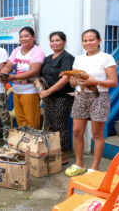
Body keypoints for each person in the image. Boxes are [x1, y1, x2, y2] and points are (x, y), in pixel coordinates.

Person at [65, 29, 117, 176]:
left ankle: (94, 167)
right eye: (85, 40)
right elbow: (72, 79)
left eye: (92, 39)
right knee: (77, 131)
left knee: (97, 133)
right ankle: (79, 163)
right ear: (82, 42)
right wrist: (73, 80)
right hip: (81, 95)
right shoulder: (79, 59)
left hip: (99, 96)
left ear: (99, 40)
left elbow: (114, 82)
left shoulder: (106, 58)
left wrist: (96, 81)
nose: (88, 43)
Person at [0, 27, 45, 129]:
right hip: (17, 90)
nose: (23, 38)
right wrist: (2, 73)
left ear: (33, 37)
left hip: (30, 91)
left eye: (26, 36)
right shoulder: (16, 50)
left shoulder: (37, 51)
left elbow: (34, 71)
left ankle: (32, 144)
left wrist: (13, 77)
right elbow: (9, 65)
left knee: (31, 122)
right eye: (21, 36)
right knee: (21, 121)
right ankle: (24, 144)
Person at [39, 32, 75, 165]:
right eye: (52, 41)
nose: (55, 43)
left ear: (64, 42)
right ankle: (54, 151)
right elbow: (41, 76)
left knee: (60, 125)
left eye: (58, 40)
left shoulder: (67, 58)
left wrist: (48, 91)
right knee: (50, 124)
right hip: (48, 96)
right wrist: (41, 90)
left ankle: (63, 155)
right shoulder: (48, 58)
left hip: (62, 97)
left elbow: (65, 78)